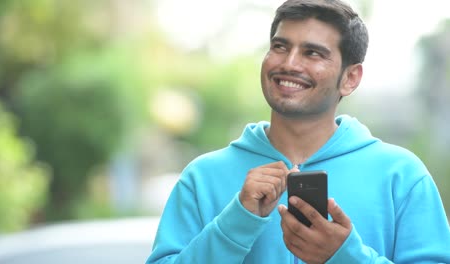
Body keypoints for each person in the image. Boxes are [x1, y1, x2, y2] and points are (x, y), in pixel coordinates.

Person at [146, 0, 450, 263]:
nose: (289, 63)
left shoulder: (402, 175)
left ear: (351, 77)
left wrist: (344, 256)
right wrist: (235, 223)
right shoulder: (202, 177)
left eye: (313, 53)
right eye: (280, 46)